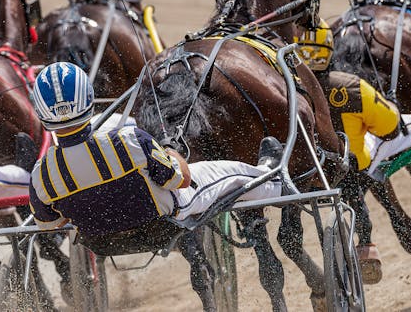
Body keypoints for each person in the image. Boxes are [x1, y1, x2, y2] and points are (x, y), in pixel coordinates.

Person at [27, 61, 285, 238]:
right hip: (164, 217)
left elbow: (50, 224)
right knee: (230, 172)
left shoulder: (41, 175)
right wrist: (171, 150)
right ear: (88, 98)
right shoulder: (128, 140)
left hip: (99, 241)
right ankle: (272, 179)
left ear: (41, 111)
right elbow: (180, 179)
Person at [295, 19, 411, 284]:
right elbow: (391, 129)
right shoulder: (350, 86)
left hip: (305, 176)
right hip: (355, 168)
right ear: (329, 49)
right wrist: (392, 108)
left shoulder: (283, 89)